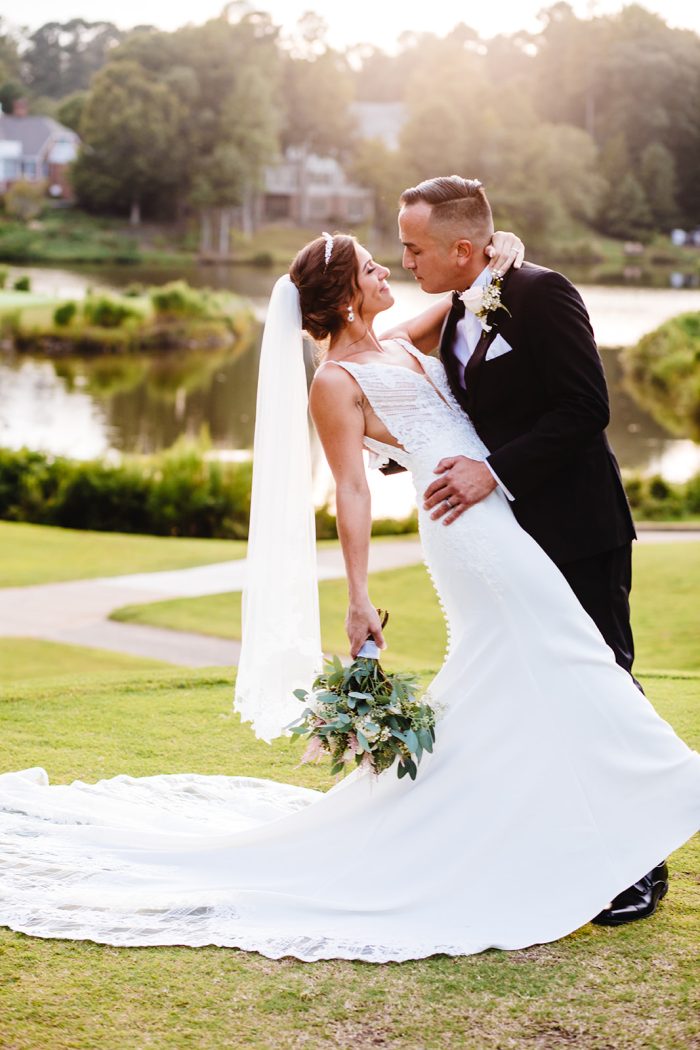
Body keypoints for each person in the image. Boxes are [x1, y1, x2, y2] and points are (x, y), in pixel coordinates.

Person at [0, 230, 697, 964]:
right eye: (371, 266)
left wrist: (503, 251)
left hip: (499, 515)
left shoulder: (397, 341)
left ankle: (523, 815)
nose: (388, 269)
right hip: (465, 532)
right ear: (343, 297)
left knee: (536, 663)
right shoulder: (333, 383)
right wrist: (358, 595)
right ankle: (668, 790)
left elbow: (470, 295)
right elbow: (352, 491)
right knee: (569, 651)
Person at [384, 176, 653, 925]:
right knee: (541, 686)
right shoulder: (454, 311)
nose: (405, 260)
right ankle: (569, 838)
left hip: (579, 529)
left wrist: (493, 473)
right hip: (512, 540)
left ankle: (640, 863)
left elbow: (586, 407)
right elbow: (460, 402)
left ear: (460, 248)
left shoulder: (542, 292)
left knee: (603, 680)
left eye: (414, 248)